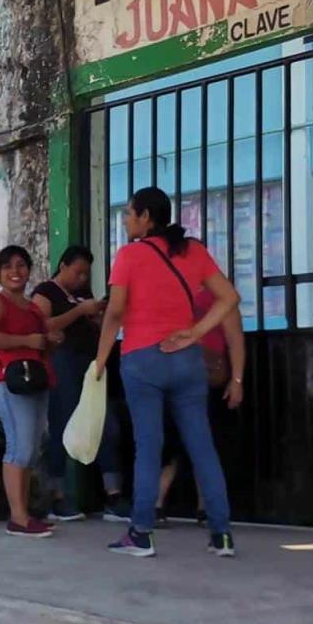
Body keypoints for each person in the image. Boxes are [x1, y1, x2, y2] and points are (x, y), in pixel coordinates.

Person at [94, 187, 241, 558]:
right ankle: (221, 534)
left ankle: (141, 533)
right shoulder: (192, 251)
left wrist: (100, 359)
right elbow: (230, 298)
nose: (126, 220)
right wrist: (195, 332)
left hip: (143, 359)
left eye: (129, 213)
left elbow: (115, 312)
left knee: (149, 446)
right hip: (186, 357)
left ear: (146, 217)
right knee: (201, 445)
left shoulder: (129, 256)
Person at [32, 245, 129, 523]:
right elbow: (42, 326)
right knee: (64, 424)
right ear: (63, 266)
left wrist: (97, 314)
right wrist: (78, 311)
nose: (82, 279)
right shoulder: (46, 292)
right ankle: (58, 496)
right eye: (78, 273)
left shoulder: (84, 295)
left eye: (86, 274)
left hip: (91, 364)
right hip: (62, 364)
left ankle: (113, 494)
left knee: (105, 424)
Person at [0, 245, 62, 538]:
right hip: (10, 380)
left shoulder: (33, 307)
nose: (15, 272)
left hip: (36, 379)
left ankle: (23, 513)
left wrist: (49, 340)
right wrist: (28, 339)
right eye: (8, 267)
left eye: (21, 265)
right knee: (20, 448)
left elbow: (41, 344)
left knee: (32, 448)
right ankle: (18, 517)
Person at [156, 287, 246, 525]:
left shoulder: (219, 296)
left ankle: (198, 506)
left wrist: (236, 381)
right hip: (179, 375)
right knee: (180, 441)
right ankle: (190, 506)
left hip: (197, 376)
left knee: (196, 441)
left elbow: (235, 340)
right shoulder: (170, 294)